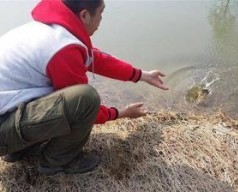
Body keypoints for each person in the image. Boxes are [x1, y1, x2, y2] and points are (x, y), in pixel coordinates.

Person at [0, 0, 168, 175]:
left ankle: (17, 149)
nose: (101, 21)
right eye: (101, 14)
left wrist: (141, 75)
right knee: (86, 98)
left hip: (5, 116)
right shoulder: (61, 48)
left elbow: (93, 58)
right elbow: (84, 107)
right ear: (85, 15)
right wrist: (121, 113)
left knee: (55, 95)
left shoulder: (51, 29)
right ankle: (56, 161)